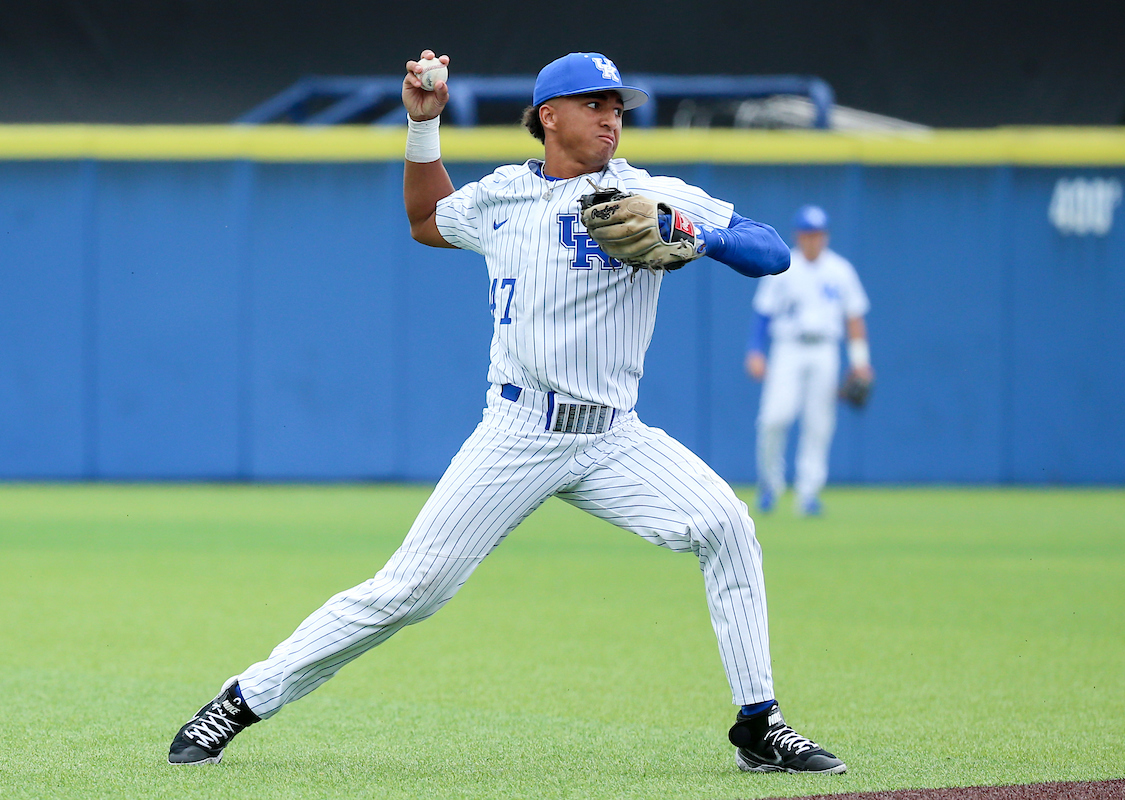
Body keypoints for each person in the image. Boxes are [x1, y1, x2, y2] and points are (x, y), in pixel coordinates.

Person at [167, 50, 847, 776]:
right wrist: (422, 125)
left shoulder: (649, 193)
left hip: (615, 434)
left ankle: (759, 725)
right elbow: (427, 218)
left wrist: (698, 234)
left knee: (727, 526)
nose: (612, 117)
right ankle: (242, 699)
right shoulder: (501, 197)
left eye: (618, 105)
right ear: (548, 116)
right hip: (518, 431)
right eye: (595, 104)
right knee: (408, 591)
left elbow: (772, 251)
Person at [745, 205, 872, 516]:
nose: (812, 240)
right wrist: (755, 350)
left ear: (825, 236)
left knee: (819, 423)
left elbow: (854, 317)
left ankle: (808, 493)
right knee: (774, 417)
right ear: (797, 236)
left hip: (824, 348)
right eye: (807, 234)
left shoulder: (840, 270)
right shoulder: (783, 265)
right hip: (788, 346)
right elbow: (763, 313)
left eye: (817, 234)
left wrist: (860, 361)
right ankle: (770, 484)